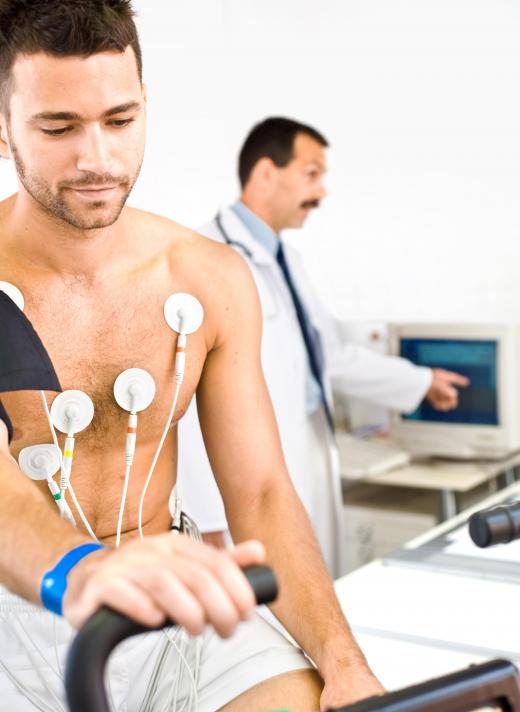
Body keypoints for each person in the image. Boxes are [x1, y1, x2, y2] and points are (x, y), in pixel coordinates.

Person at [0, 2, 384, 710]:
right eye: (58, 127)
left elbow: (262, 491)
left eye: (120, 120)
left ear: (146, 105)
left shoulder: (208, 277)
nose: (98, 159)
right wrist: (79, 575)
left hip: (172, 607)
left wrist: (344, 660)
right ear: (2, 127)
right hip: (19, 610)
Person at [177, 117, 470, 574]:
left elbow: (325, 357)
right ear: (265, 173)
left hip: (305, 453)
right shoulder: (203, 256)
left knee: (313, 590)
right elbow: (189, 391)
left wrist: (420, 381)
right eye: (312, 173)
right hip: (240, 490)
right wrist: (209, 514)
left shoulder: (285, 259)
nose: (322, 191)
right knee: (260, 618)